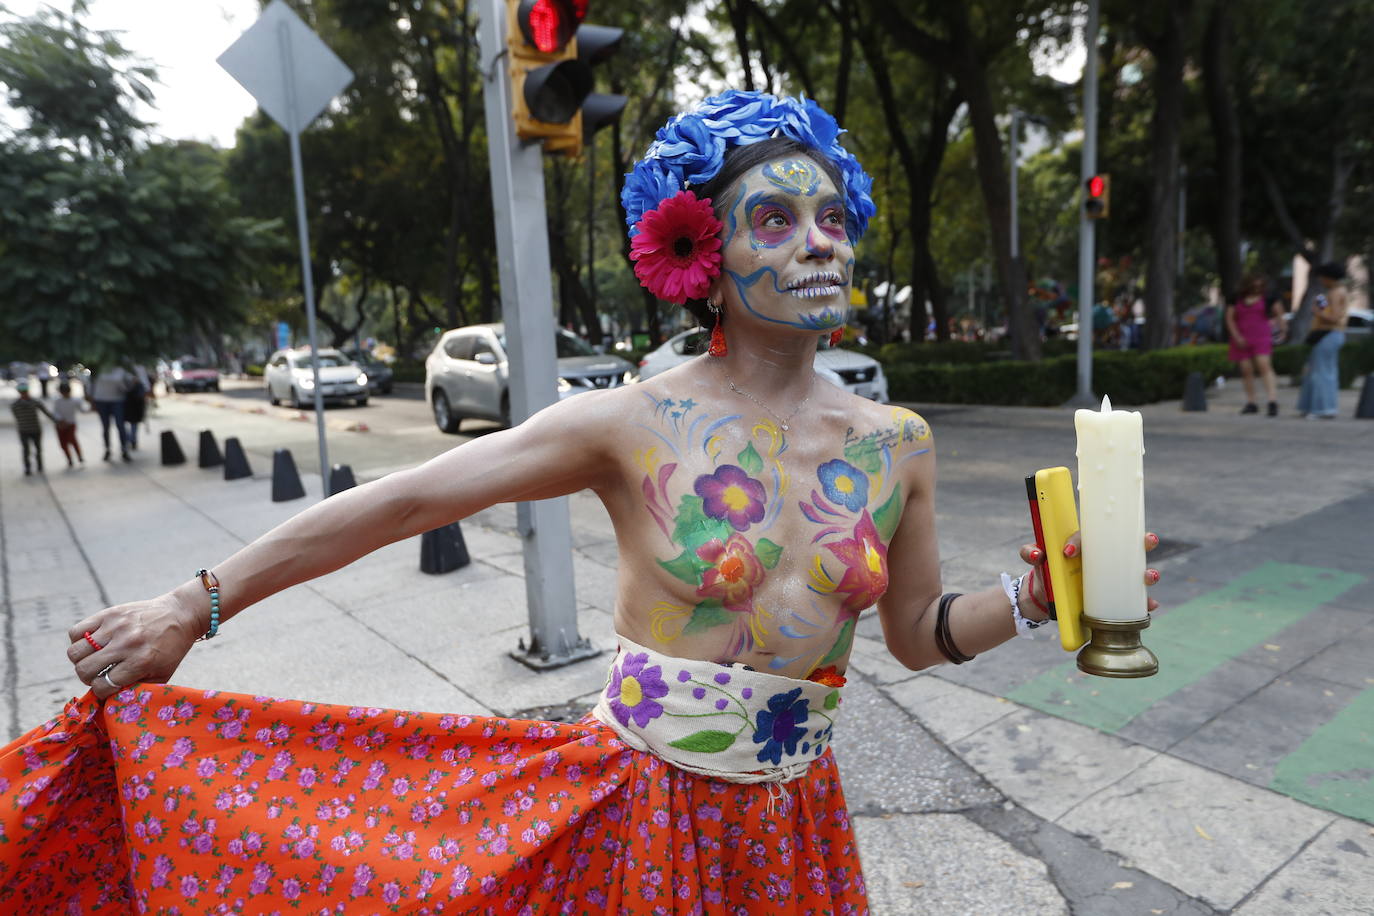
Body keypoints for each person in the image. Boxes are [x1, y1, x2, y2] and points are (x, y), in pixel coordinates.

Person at [0, 91, 1160, 912]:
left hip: (797, 827)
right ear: (701, 247)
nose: (819, 244)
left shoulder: (896, 442)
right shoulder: (634, 421)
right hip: (647, 815)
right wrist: (196, 603)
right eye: (775, 219)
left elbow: (912, 636)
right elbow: (402, 501)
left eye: (834, 218)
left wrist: (1033, 595)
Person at [1225, 274, 1285, 416]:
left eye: (1260, 285)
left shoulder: (1269, 297)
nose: (1257, 287)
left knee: (1264, 365)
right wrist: (1236, 336)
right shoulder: (1236, 298)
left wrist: (1280, 327)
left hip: (1261, 336)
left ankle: (1272, 401)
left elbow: (1280, 314)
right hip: (1241, 337)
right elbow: (1229, 319)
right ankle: (1251, 402)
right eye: (1254, 285)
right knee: (1246, 370)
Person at [1296, 262, 1349, 419]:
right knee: (1322, 371)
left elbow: (1335, 317)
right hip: (1331, 334)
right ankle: (1317, 406)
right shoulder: (1338, 291)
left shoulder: (1335, 292)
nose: (1321, 280)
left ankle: (1322, 408)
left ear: (1328, 277)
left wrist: (1317, 312)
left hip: (1329, 333)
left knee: (1321, 372)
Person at [88, 362, 134, 461]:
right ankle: (107, 449)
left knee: (120, 425)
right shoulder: (97, 369)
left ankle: (124, 449)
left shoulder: (121, 369)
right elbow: (91, 385)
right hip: (101, 401)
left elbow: (126, 386)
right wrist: (91, 401)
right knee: (105, 427)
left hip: (117, 400)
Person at [9, 379, 55, 475]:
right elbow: (17, 417)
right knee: (26, 450)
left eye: (25, 391)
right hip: (23, 430)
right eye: (22, 392)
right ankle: (27, 468)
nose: (24, 393)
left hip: (36, 429)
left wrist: (56, 421)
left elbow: (46, 413)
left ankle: (39, 466)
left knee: (38, 449)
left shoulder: (35, 402)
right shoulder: (14, 405)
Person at [50, 380, 87, 467]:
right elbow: (55, 412)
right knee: (63, 443)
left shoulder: (76, 400)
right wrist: (61, 420)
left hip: (71, 424)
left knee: (72, 440)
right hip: (60, 425)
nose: (65, 394)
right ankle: (69, 459)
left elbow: (83, 410)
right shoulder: (57, 401)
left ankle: (79, 456)